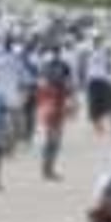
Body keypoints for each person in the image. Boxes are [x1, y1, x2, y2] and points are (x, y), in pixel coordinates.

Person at [36, 50, 72, 182]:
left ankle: (47, 169)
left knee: (51, 143)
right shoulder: (59, 86)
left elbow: (40, 100)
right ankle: (48, 169)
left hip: (52, 114)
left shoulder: (49, 84)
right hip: (54, 114)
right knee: (53, 143)